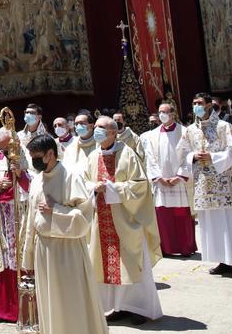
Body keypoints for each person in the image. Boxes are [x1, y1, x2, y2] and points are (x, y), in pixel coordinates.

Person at [20, 134, 108, 334]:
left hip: (67, 250)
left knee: (71, 299)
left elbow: (85, 218)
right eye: (32, 156)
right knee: (49, 300)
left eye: (37, 156)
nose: (34, 160)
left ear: (51, 153)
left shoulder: (71, 176)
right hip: (44, 250)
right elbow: (31, 221)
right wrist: (29, 255)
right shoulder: (36, 181)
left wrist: (57, 209)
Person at [85, 117, 163, 325]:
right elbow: (85, 182)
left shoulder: (128, 154)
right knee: (107, 265)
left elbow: (140, 186)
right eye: (96, 127)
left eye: (101, 128)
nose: (96, 131)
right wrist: (93, 188)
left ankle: (138, 307)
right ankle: (118, 306)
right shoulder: (93, 156)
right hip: (101, 220)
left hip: (126, 219)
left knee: (131, 264)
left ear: (113, 133)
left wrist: (111, 188)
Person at [177, 93, 232, 278]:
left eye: (200, 103)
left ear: (209, 106)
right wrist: (192, 157)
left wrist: (214, 157)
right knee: (213, 225)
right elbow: (181, 152)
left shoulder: (223, 127)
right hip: (203, 184)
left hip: (224, 183)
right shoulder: (189, 131)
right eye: (194, 103)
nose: (196, 106)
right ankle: (223, 261)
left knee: (231, 224)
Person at [0, 128, 30, 323]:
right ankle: (4, 310)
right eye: (1, 148)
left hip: (21, 214)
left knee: (21, 259)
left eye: (6, 148)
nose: (4, 152)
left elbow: (37, 182)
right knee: (6, 258)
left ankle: (24, 309)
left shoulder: (25, 154)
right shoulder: (0, 156)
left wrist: (21, 175)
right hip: (3, 216)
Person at [140, 102, 196, 257]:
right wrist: (158, 177)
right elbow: (149, 158)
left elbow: (189, 156)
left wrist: (179, 176)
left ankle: (186, 247)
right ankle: (167, 247)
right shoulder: (151, 135)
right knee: (163, 216)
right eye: (160, 112)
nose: (162, 115)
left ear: (173, 114)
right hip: (161, 181)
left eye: (165, 112)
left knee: (182, 215)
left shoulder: (185, 132)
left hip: (180, 181)